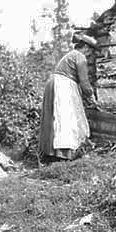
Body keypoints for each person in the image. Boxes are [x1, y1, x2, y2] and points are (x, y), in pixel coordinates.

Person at [39, 33, 98, 162]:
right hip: (63, 86)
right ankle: (64, 154)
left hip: (55, 83)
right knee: (66, 118)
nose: (90, 55)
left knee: (56, 118)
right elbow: (84, 81)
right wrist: (91, 96)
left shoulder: (71, 55)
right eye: (91, 52)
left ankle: (50, 154)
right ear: (86, 48)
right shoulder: (80, 57)